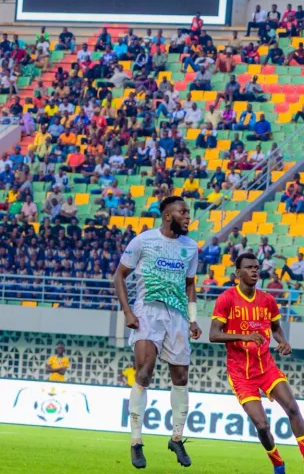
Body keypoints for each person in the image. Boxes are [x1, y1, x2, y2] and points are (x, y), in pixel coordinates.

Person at [209, 254, 304, 474]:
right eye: (248, 267)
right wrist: (243, 336)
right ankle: (278, 464)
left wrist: (283, 342)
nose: (254, 270)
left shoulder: (267, 300)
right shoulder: (226, 299)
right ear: (238, 273)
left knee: (293, 408)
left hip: (266, 367)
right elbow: (213, 334)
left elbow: (276, 328)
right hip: (241, 374)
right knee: (262, 426)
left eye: (256, 267)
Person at [111, 196, 200, 469]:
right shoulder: (143, 241)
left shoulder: (190, 247)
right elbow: (119, 276)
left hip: (178, 316)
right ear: (167, 215)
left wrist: (193, 319)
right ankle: (136, 442)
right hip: (147, 312)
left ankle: (177, 438)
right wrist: (128, 312)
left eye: (188, 212)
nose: (188, 217)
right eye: (183, 212)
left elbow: (190, 284)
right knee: (144, 372)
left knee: (181, 377)